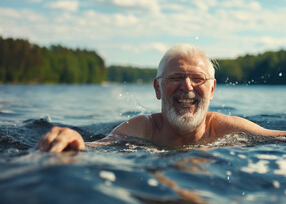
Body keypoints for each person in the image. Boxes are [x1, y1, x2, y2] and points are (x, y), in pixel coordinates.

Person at [37, 44, 286, 152]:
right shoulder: (142, 128)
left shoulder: (225, 129)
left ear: (212, 90)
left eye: (197, 78)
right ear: (157, 88)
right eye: (175, 77)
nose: (186, 87)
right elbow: (96, 147)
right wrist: (73, 139)